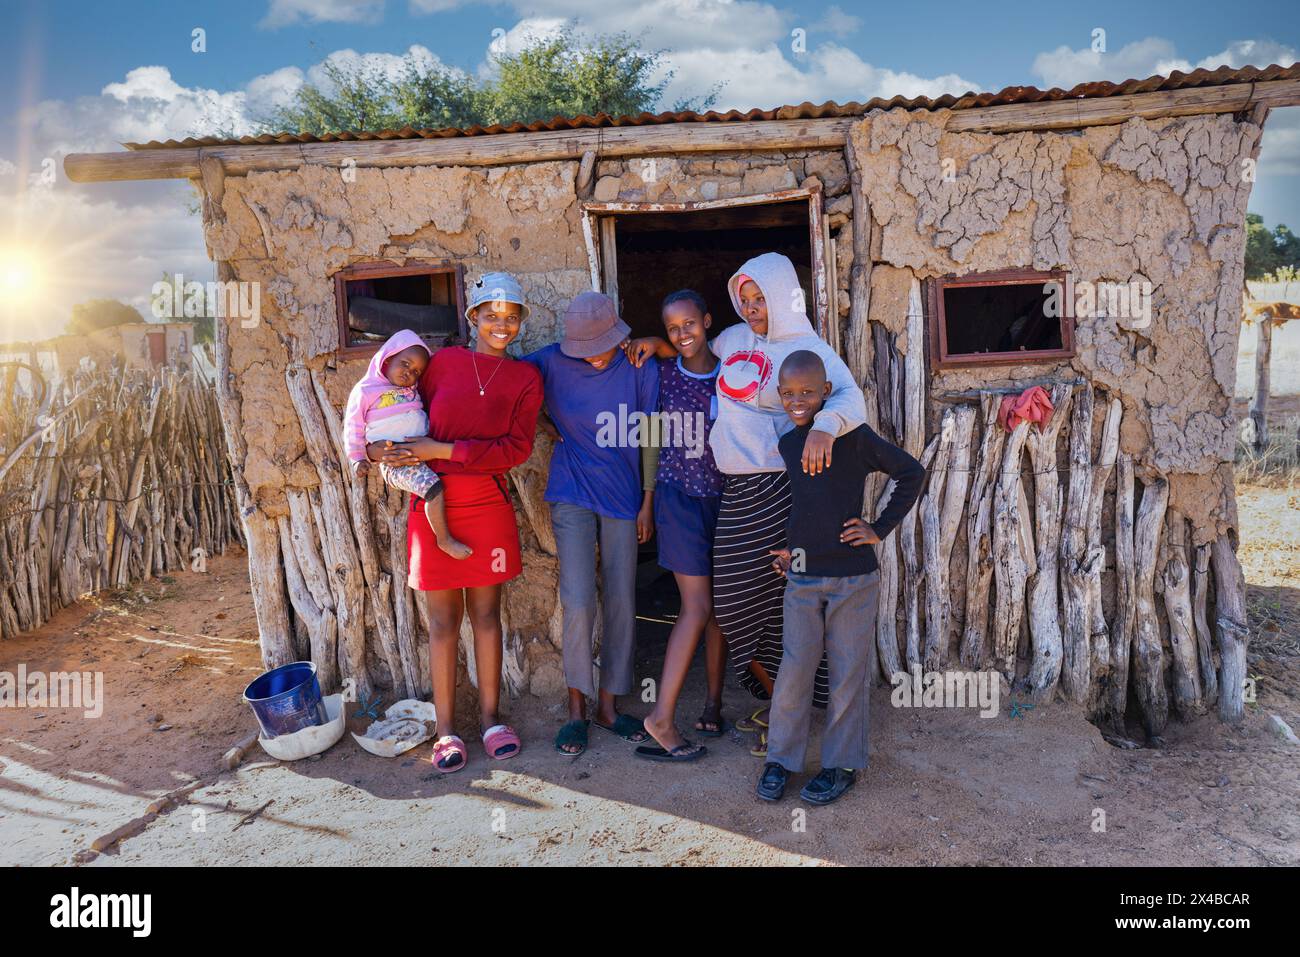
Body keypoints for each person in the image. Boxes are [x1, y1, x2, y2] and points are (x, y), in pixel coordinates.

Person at [628, 252, 866, 757]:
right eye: (746, 299)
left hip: (780, 489)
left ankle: (790, 709)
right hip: (735, 490)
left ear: (782, 296)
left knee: (781, 606)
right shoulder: (733, 339)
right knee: (734, 606)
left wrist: (824, 428)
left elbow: (849, 399)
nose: (754, 308)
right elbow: (691, 350)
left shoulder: (808, 346)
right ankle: (782, 702)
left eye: (762, 299)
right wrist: (655, 342)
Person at [374, 272, 543, 773]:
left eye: (511, 318)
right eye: (491, 315)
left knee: (488, 617)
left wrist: (442, 449)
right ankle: (446, 732)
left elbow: (517, 449)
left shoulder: (525, 379)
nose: (502, 325)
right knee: (443, 623)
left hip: (488, 506)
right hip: (435, 506)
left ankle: (492, 720)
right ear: (472, 317)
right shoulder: (442, 364)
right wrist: (370, 446)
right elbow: (391, 400)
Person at [758, 350, 924, 804]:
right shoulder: (790, 443)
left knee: (848, 673)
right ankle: (780, 760)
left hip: (853, 577)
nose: (797, 401)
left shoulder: (855, 438)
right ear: (779, 395)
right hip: (804, 575)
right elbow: (810, 504)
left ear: (826, 393)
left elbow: (911, 472)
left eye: (807, 392)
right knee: (794, 669)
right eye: (788, 394)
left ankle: (841, 764)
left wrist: (879, 528)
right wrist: (793, 548)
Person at [523, 292, 659, 757]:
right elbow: (509, 384)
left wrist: (648, 501)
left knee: (622, 597)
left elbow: (652, 435)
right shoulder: (549, 363)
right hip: (572, 493)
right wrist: (543, 422)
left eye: (603, 346)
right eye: (587, 350)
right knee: (578, 599)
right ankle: (576, 710)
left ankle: (609, 706)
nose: (596, 357)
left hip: (624, 497)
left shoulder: (639, 364)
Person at [635, 290, 727, 763]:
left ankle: (713, 702)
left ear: (707, 320)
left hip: (727, 498)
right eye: (672, 328)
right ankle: (661, 718)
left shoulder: (732, 373)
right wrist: (647, 500)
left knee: (719, 609)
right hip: (677, 498)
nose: (682, 333)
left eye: (689, 323)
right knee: (696, 606)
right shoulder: (664, 375)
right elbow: (650, 439)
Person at [342, 329, 469, 559]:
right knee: (434, 489)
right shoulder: (366, 390)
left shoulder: (411, 390)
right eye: (405, 364)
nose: (409, 373)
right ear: (387, 359)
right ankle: (444, 540)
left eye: (416, 371)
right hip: (397, 461)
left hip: (422, 452)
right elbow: (353, 426)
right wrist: (358, 458)